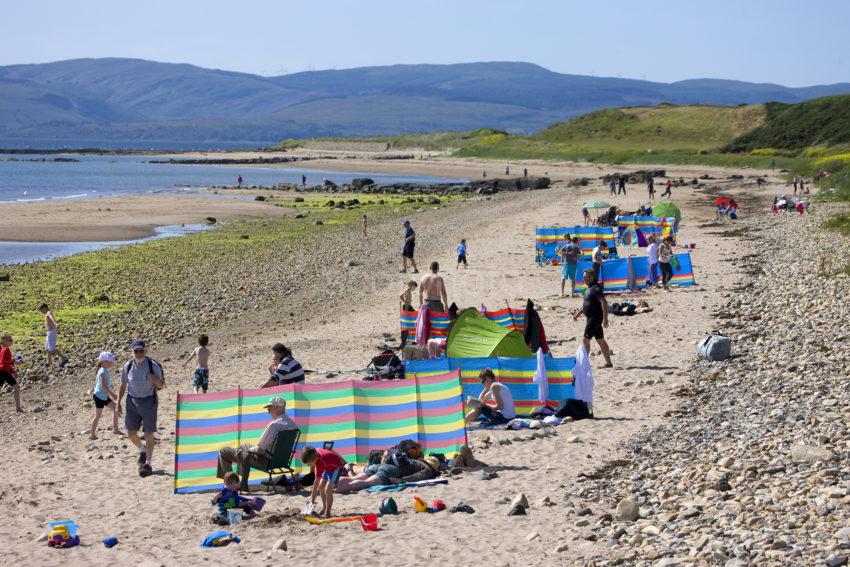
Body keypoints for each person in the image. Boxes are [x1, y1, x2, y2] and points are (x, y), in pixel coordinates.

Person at [216, 396, 298, 491]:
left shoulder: (274, 425)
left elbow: (260, 449)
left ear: (279, 408)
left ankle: (231, 485)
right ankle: (242, 483)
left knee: (223, 451)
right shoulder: (293, 425)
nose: (269, 411)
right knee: (244, 445)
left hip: (265, 460)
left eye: (270, 408)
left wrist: (247, 451)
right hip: (281, 460)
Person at [118, 340, 165, 477]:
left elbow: (162, 385)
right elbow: (123, 385)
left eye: (141, 351)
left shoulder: (153, 365)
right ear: (132, 352)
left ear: (145, 351)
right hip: (131, 401)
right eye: (136, 351)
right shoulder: (127, 366)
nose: (139, 354)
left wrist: (155, 381)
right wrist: (117, 402)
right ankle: (141, 449)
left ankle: (148, 463)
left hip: (149, 401)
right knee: (131, 433)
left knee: (149, 434)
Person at [572, 269, 613, 368]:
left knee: (586, 340)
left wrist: (605, 318)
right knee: (601, 340)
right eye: (585, 277)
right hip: (592, 318)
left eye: (588, 277)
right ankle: (608, 363)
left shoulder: (595, 288)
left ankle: (584, 364)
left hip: (594, 318)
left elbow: (604, 302)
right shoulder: (589, 288)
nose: (586, 279)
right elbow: (588, 304)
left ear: (593, 277)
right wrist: (578, 313)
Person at [301, 445, 346, 518]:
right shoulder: (314, 454)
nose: (308, 466)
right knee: (321, 487)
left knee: (328, 490)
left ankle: (328, 512)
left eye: (309, 464)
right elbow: (317, 484)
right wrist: (312, 499)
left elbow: (316, 482)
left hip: (336, 468)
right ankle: (324, 507)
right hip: (327, 467)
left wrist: (312, 499)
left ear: (314, 459)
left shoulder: (319, 463)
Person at [90, 351, 121, 439]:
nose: (111, 363)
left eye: (112, 362)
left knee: (116, 408)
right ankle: (92, 434)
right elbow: (103, 386)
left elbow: (106, 384)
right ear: (103, 362)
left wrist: (111, 387)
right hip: (99, 396)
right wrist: (112, 394)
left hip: (104, 395)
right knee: (98, 415)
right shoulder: (102, 371)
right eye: (110, 362)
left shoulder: (105, 370)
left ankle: (115, 429)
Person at [38, 303, 68, 368]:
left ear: (44, 308)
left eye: (41, 310)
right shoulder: (47, 314)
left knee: (52, 348)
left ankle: (64, 358)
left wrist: (55, 324)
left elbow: (51, 318)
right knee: (47, 348)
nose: (41, 312)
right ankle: (49, 362)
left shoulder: (48, 312)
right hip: (48, 332)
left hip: (51, 332)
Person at [0, 333, 23, 413]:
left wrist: (13, 372)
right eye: (10, 340)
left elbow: (3, 363)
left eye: (11, 339)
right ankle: (18, 408)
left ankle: (18, 408)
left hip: (2, 371)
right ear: (4, 341)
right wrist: (14, 362)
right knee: (17, 387)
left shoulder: (2, 349)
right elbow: (3, 363)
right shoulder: (6, 349)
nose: (12, 341)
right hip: (3, 372)